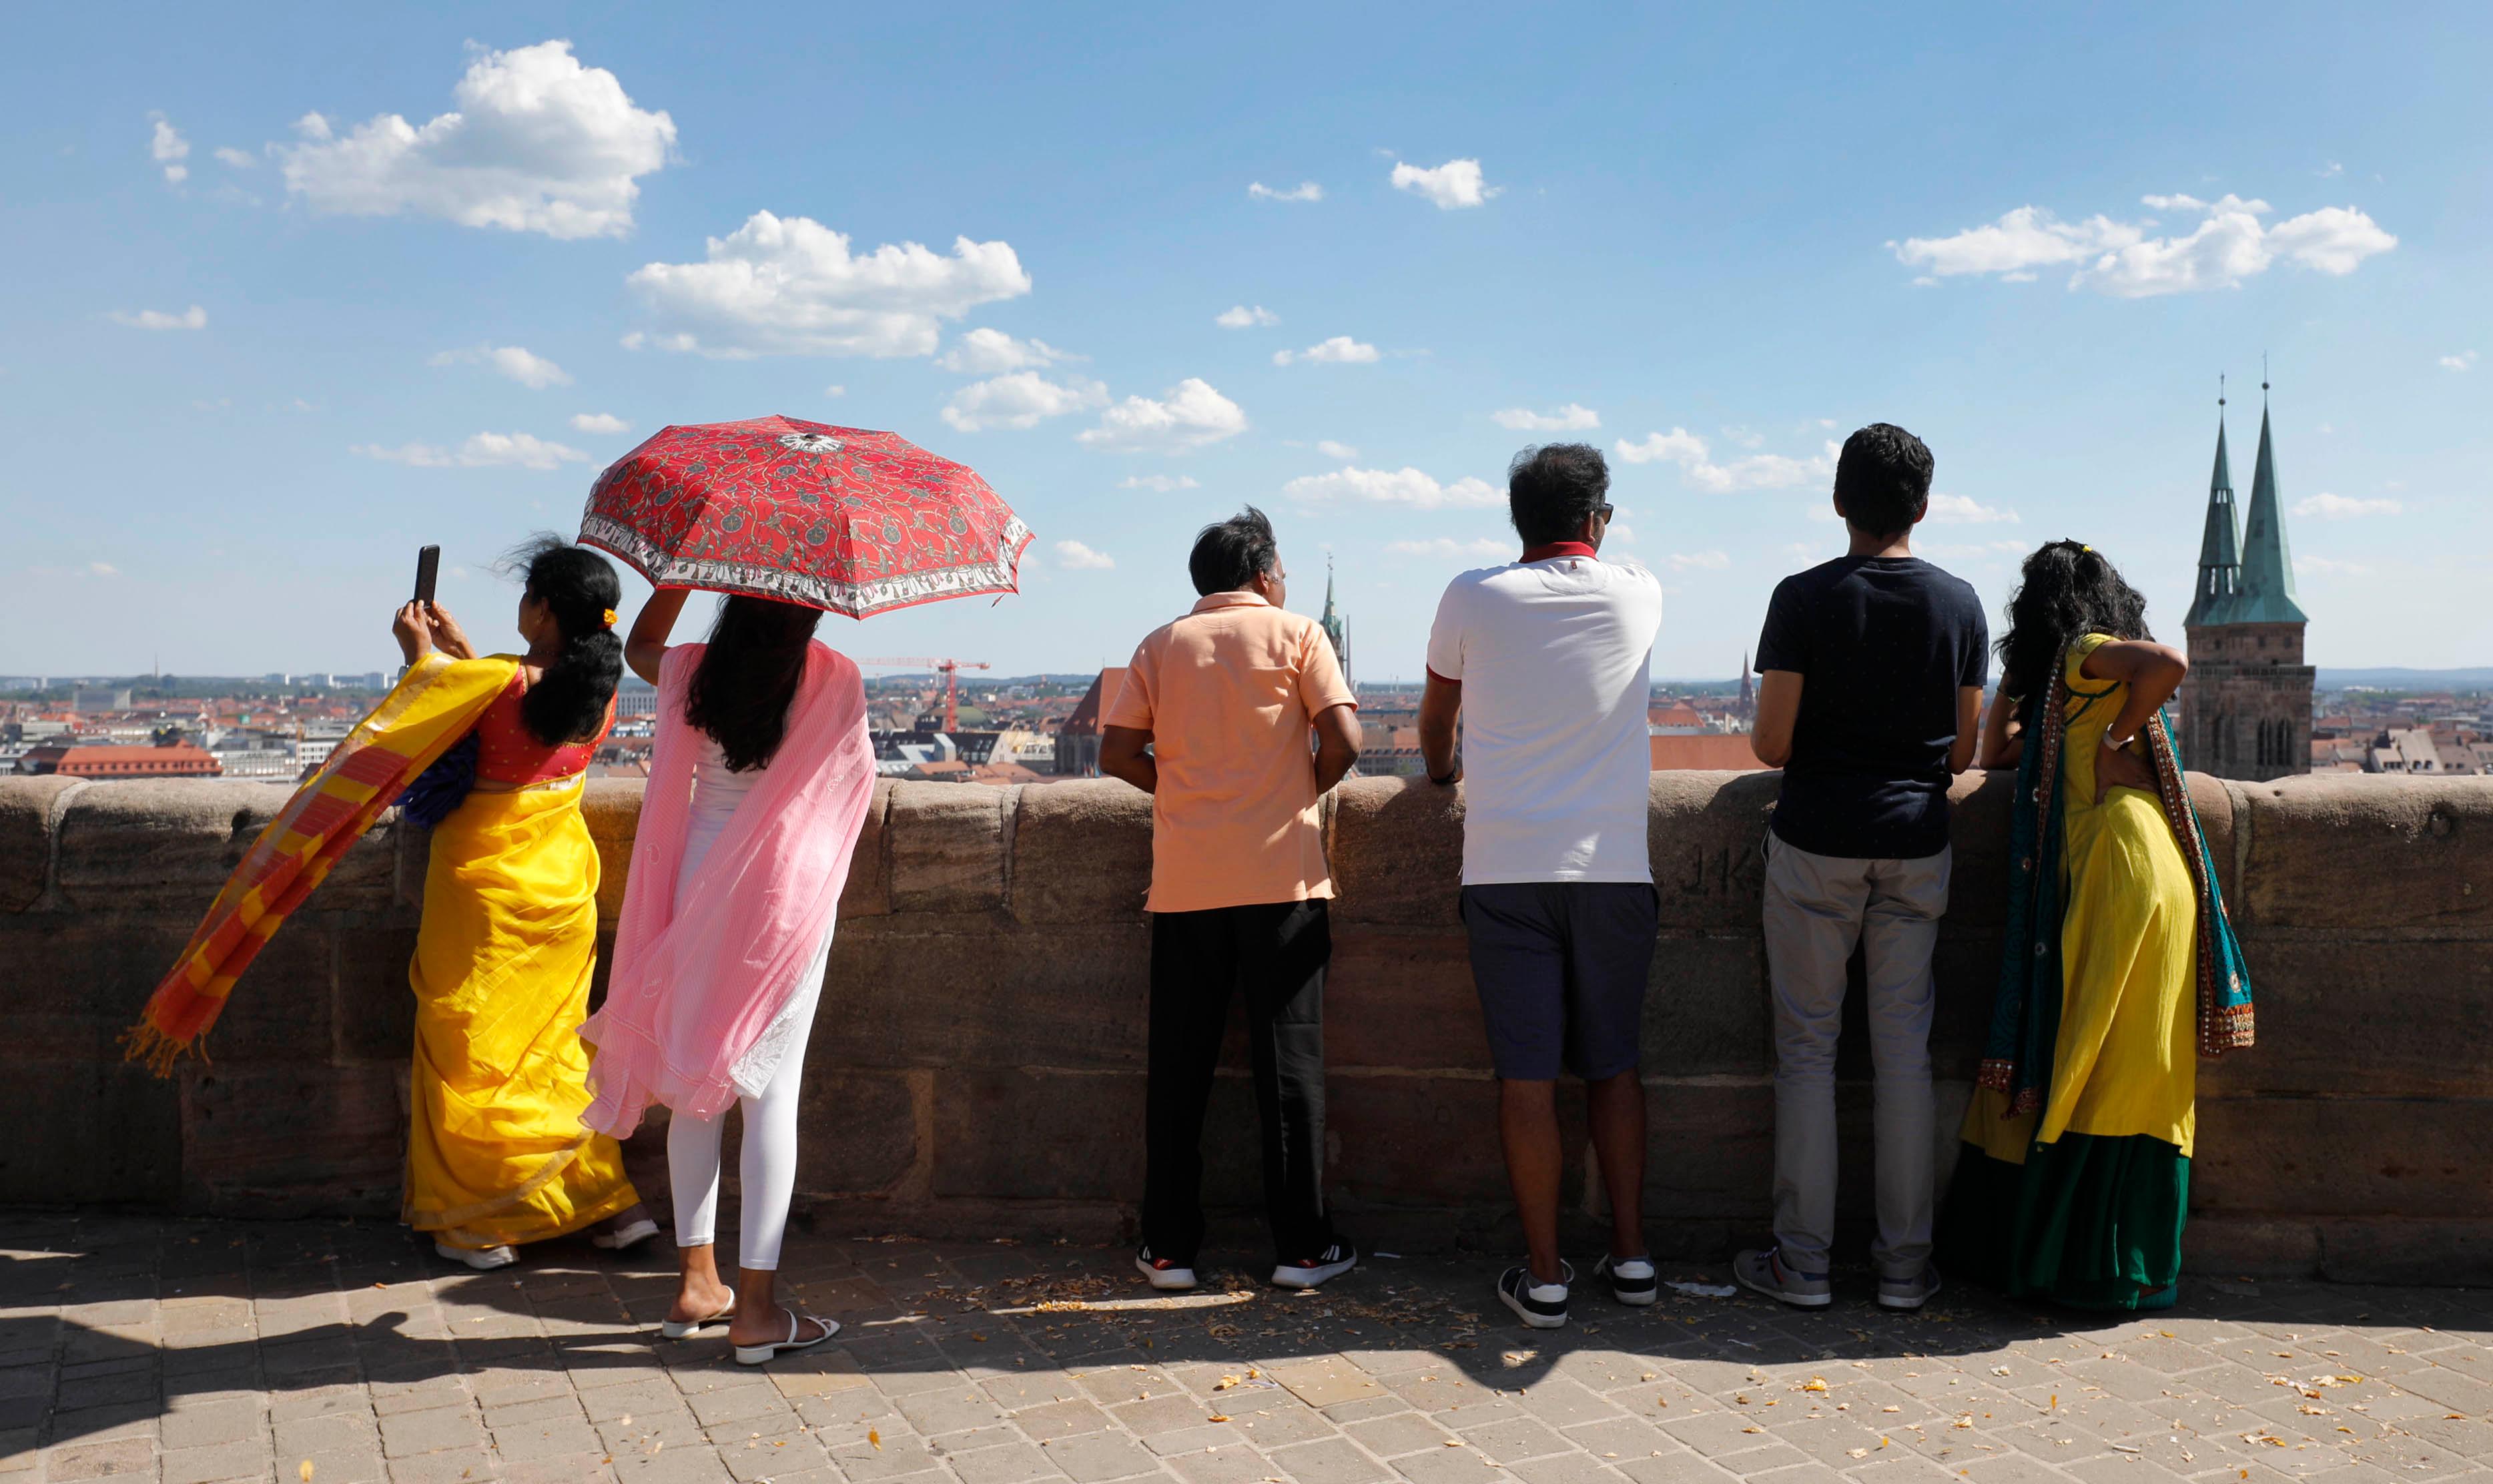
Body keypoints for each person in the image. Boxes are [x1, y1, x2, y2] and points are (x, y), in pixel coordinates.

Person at [1935, 541, 2253, 1310]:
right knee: (2137, 1064)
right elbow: (1997, 753)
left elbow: (2168, 664)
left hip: (2120, 869)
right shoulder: (2069, 681)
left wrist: (2111, 744)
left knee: (2091, 1058)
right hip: (2145, 869)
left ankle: (2076, 1262)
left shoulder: (2083, 653)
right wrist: (2020, 680)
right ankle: (2113, 1261)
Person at [579, 587, 879, 1365]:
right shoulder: (833, 676)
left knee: (693, 1084)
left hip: (696, 884)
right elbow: (852, 792)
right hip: (784, 896)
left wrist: (674, 580)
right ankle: (756, 1309)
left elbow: (636, 649)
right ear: (809, 612)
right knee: (769, 1093)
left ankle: (695, 1284)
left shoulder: (693, 670)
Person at [1734, 423, 1986, 1312]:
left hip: (1816, 841)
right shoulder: (1960, 605)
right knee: (1904, 1056)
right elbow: (1963, 753)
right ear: (1922, 507)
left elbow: (1770, 743)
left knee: (1807, 1050)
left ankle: (1801, 1265)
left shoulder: (1801, 599)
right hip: (1916, 842)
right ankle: (1905, 1268)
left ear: (1839, 502)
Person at [1419, 444, 1664, 1329]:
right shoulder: (1639, 589)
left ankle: (1547, 1274)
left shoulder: (1471, 595)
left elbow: (1438, 720)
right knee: (1615, 1068)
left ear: (1515, 517)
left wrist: (1443, 775)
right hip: (1610, 869)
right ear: (1598, 519)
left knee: (1526, 1077)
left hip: (1506, 864)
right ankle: (1632, 1257)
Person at [1100, 506, 1363, 1292]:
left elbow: (1118, 751)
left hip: (1186, 883)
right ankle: (1302, 1249)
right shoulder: (1297, 634)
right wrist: (1290, 797)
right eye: (1278, 572)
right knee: (1290, 1069)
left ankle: (1170, 1248)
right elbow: (1345, 742)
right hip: (1281, 879)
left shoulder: (1159, 644)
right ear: (1262, 575)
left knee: (1179, 1069)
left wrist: (1181, 790)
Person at [391, 538, 653, 1269]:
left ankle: (480, 1218)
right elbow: (520, 702)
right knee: (556, 1052)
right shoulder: (594, 692)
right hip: (563, 888)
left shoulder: (497, 681)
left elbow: (428, 717)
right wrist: (462, 652)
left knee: (472, 1049)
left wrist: (421, 654)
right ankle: (607, 1203)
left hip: (483, 889)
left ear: (540, 608)